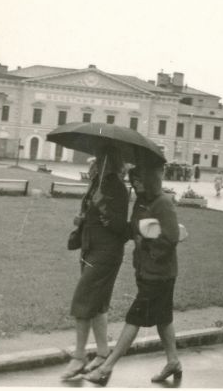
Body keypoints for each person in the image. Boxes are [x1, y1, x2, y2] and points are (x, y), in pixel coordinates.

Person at [83, 164, 182, 386]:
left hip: (160, 274)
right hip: (145, 271)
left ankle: (106, 368)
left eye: (139, 179)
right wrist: (105, 212)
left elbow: (171, 238)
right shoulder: (142, 202)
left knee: (133, 318)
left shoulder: (163, 203)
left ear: (151, 179)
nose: (135, 183)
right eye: (133, 179)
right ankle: (173, 361)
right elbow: (130, 229)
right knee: (163, 319)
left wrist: (146, 242)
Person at [61, 148, 129, 381]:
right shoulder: (96, 184)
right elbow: (91, 213)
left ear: (111, 163)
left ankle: (79, 357)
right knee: (98, 304)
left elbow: (121, 227)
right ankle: (102, 353)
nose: (94, 164)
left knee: (82, 299)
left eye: (100, 160)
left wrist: (102, 209)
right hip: (90, 248)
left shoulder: (118, 188)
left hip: (106, 252)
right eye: (96, 160)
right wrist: (82, 218)